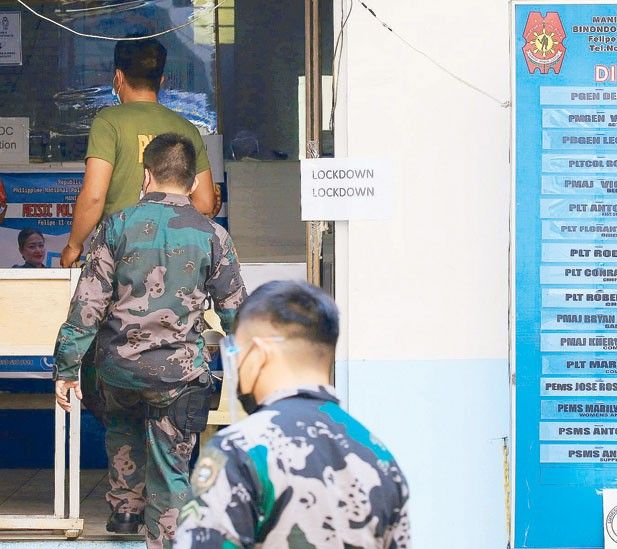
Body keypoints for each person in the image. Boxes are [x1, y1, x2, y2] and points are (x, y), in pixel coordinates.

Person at [53, 134, 246, 549]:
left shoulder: (116, 225)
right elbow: (236, 316)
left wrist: (66, 368)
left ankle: (125, 510)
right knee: (170, 469)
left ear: (146, 175)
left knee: (122, 429)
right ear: (194, 181)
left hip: (118, 371)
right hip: (178, 377)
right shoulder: (213, 235)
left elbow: (87, 306)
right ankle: (166, 538)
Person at [175, 281, 411, 549]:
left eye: (236, 353)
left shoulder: (239, 449)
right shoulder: (378, 456)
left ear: (259, 354)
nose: (236, 366)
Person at [59, 37, 216, 268]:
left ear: (118, 77)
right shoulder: (186, 129)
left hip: (118, 254)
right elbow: (205, 202)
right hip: (172, 255)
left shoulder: (108, 122)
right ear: (161, 81)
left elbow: (93, 197)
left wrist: (73, 246)